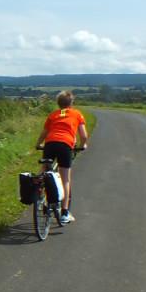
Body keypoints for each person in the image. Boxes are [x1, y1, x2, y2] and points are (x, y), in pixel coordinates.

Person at [35, 90, 88, 223]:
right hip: (65, 145)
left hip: (50, 144)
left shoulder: (53, 115)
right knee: (65, 179)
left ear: (58, 104)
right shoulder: (76, 114)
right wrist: (83, 145)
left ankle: (37, 187)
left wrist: (38, 144)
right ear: (71, 103)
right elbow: (83, 135)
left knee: (45, 167)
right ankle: (64, 213)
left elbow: (45, 132)